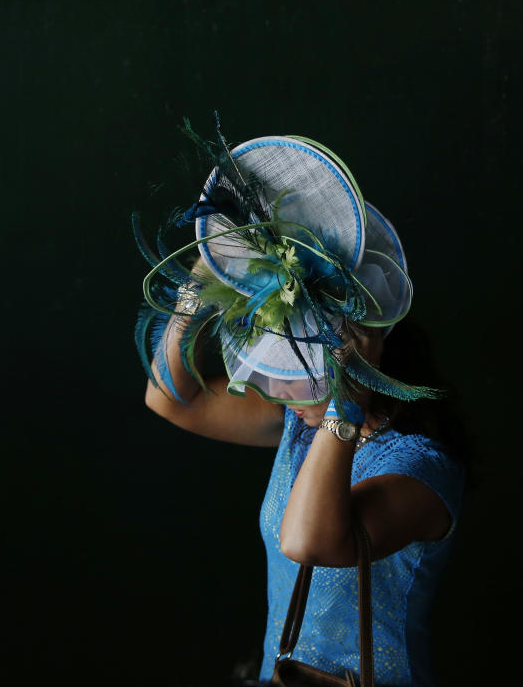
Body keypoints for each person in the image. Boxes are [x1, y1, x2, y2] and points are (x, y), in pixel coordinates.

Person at [135, 128, 468, 686]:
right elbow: (168, 398)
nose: (282, 393)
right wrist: (203, 272)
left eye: (300, 378)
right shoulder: (300, 424)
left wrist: (346, 394)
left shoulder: (423, 469)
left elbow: (307, 542)